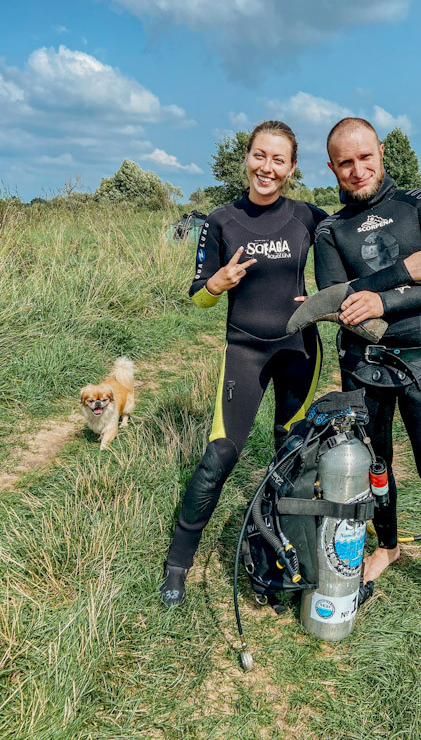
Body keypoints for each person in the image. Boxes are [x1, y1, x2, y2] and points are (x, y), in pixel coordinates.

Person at [314, 117, 421, 630]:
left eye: (365, 157)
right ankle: (385, 547)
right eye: (345, 162)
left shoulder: (419, 202)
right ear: (332, 168)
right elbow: (339, 302)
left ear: (381, 152)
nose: (357, 169)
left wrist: (381, 297)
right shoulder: (329, 229)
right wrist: (404, 273)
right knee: (376, 467)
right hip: (363, 366)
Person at [161, 121, 326, 606]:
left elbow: (348, 254)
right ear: (247, 158)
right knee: (220, 456)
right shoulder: (220, 220)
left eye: (279, 159)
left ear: (292, 167)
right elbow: (197, 296)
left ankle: (283, 559)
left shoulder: (308, 217)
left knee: (292, 457)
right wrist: (217, 284)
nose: (267, 168)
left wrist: (330, 295)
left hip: (299, 349)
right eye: (260, 155)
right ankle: (177, 564)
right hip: (245, 350)